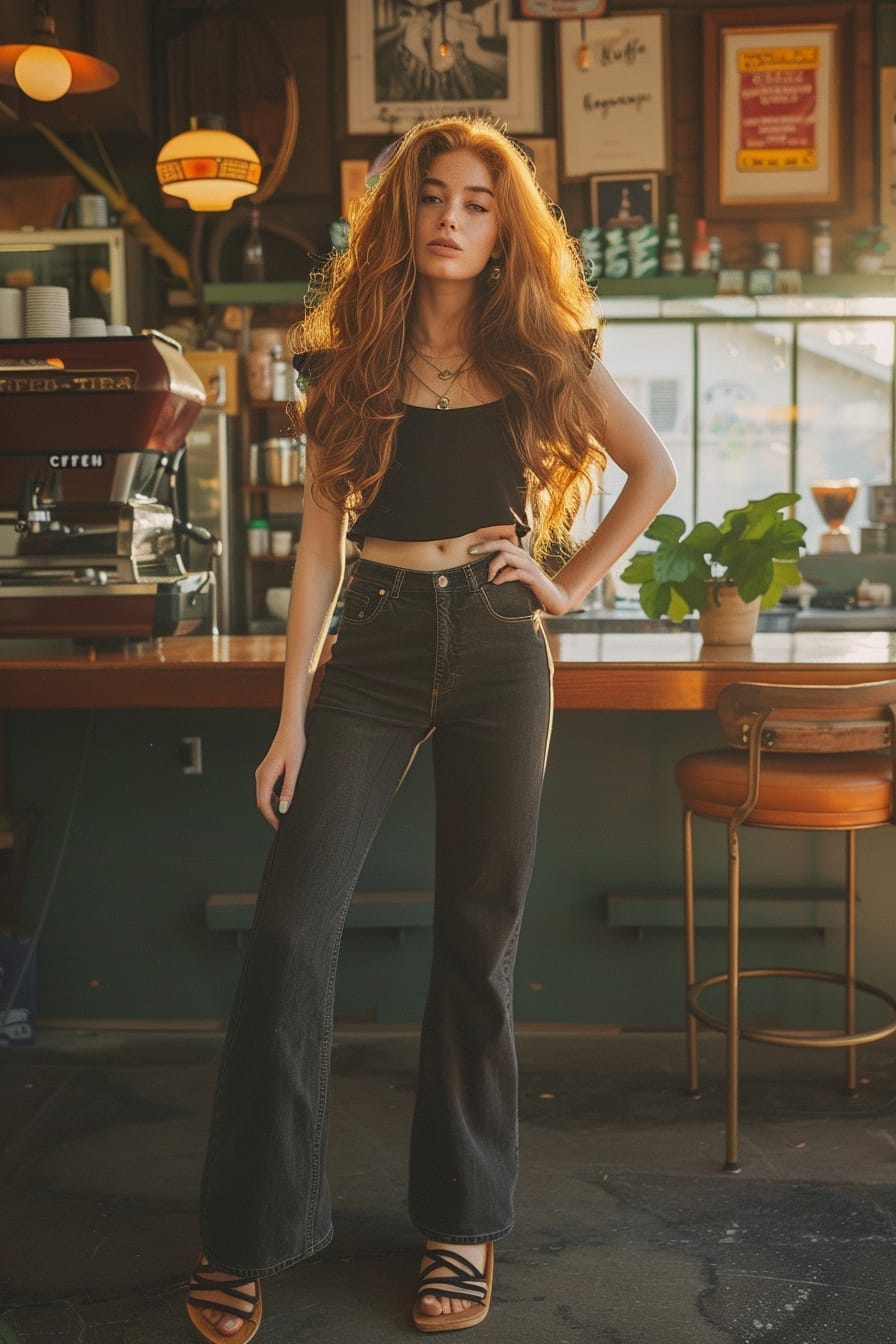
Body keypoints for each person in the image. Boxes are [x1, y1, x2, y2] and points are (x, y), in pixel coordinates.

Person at [186, 115, 676, 1342]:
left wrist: (566, 585)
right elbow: (315, 544)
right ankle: (247, 1228)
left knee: (476, 936)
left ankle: (459, 1225)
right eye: (431, 198)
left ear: (505, 225)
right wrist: (289, 711)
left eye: (477, 200)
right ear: (401, 218)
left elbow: (652, 471)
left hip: (501, 645)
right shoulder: (349, 357)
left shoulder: (539, 348)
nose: (451, 216)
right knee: (289, 934)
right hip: (377, 642)